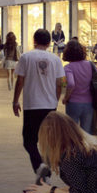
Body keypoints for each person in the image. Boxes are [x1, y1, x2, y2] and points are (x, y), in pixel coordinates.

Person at [13, 29, 65, 171]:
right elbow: (59, 83)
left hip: (32, 105)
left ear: (34, 40)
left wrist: (15, 100)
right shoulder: (55, 59)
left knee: (29, 141)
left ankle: (40, 166)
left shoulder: (26, 57)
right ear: (49, 43)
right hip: (49, 105)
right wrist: (55, 101)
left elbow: (20, 81)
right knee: (48, 140)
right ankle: (49, 167)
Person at [61, 41, 97, 134]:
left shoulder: (68, 67)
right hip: (89, 103)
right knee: (86, 133)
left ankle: (73, 148)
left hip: (74, 103)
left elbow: (71, 84)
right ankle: (85, 148)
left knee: (72, 132)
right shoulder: (90, 65)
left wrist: (66, 98)